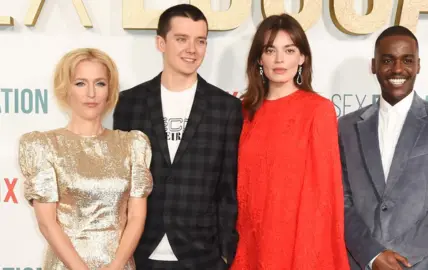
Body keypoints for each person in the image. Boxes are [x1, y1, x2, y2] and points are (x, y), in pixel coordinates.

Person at [113, 4, 243, 270]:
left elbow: (228, 187)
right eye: (181, 39)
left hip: (203, 255)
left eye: (200, 41)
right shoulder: (130, 103)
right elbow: (120, 183)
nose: (192, 49)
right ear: (161, 42)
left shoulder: (226, 108)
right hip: (140, 250)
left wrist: (226, 253)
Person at [339, 26, 428, 270]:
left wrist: (398, 256)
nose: (398, 69)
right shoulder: (346, 127)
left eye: (406, 60)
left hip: (425, 264)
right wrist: (373, 255)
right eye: (387, 60)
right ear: (373, 66)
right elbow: (341, 201)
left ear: (418, 65)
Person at [231, 13, 350, 270]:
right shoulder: (243, 112)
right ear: (259, 59)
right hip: (247, 245)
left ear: (302, 57)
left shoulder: (318, 111)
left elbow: (324, 197)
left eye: (289, 49)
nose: (280, 59)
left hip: (298, 246)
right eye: (270, 50)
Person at [18, 48, 153, 270]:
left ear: (109, 91)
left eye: (100, 83)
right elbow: (47, 222)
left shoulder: (132, 145)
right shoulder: (44, 146)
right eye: (80, 83)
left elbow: (137, 215)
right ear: (66, 89)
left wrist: (117, 265)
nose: (91, 93)